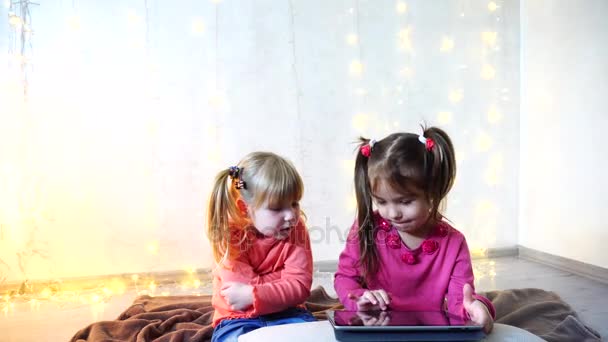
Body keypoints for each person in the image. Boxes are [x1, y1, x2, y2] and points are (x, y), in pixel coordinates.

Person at [334, 126, 495, 333]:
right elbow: (345, 278)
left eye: (405, 201)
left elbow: (460, 301)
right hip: (377, 331)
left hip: (428, 333)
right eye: (381, 202)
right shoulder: (366, 228)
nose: (392, 213)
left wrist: (478, 309)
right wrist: (359, 299)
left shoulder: (454, 244)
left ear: (431, 192)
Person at [207, 152, 315, 342]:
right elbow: (237, 299)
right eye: (276, 208)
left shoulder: (296, 229)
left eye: (294, 203)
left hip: (288, 313)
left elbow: (300, 288)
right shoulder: (229, 234)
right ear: (245, 209)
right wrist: (281, 282)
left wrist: (253, 293)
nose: (291, 215)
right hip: (237, 319)